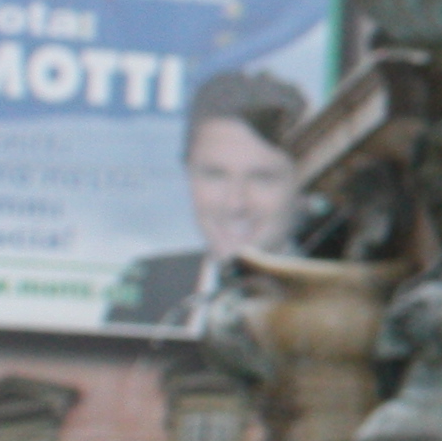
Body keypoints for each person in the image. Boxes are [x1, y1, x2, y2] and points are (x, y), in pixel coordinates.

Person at [105, 71, 310, 330]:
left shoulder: (339, 302)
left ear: (307, 181)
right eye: (215, 175)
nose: (236, 204)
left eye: (262, 178)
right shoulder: (149, 284)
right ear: (188, 173)